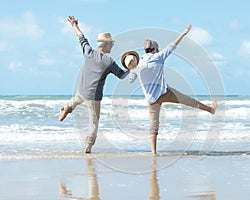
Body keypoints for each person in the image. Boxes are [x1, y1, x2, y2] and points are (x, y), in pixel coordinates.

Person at [123, 24, 217, 154]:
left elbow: (130, 80)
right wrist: (184, 33)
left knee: (154, 124)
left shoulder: (139, 65)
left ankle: (153, 152)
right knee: (187, 100)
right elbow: (172, 46)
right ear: (155, 49)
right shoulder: (159, 57)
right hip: (164, 92)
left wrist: (133, 69)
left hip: (151, 98)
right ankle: (211, 110)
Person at [59, 16, 129, 153]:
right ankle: (89, 146)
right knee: (93, 122)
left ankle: (65, 110)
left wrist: (74, 25)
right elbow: (121, 75)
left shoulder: (89, 52)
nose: (112, 46)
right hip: (94, 97)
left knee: (74, 102)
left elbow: (81, 37)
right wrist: (132, 70)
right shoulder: (109, 62)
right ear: (106, 44)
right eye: (111, 44)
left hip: (81, 91)